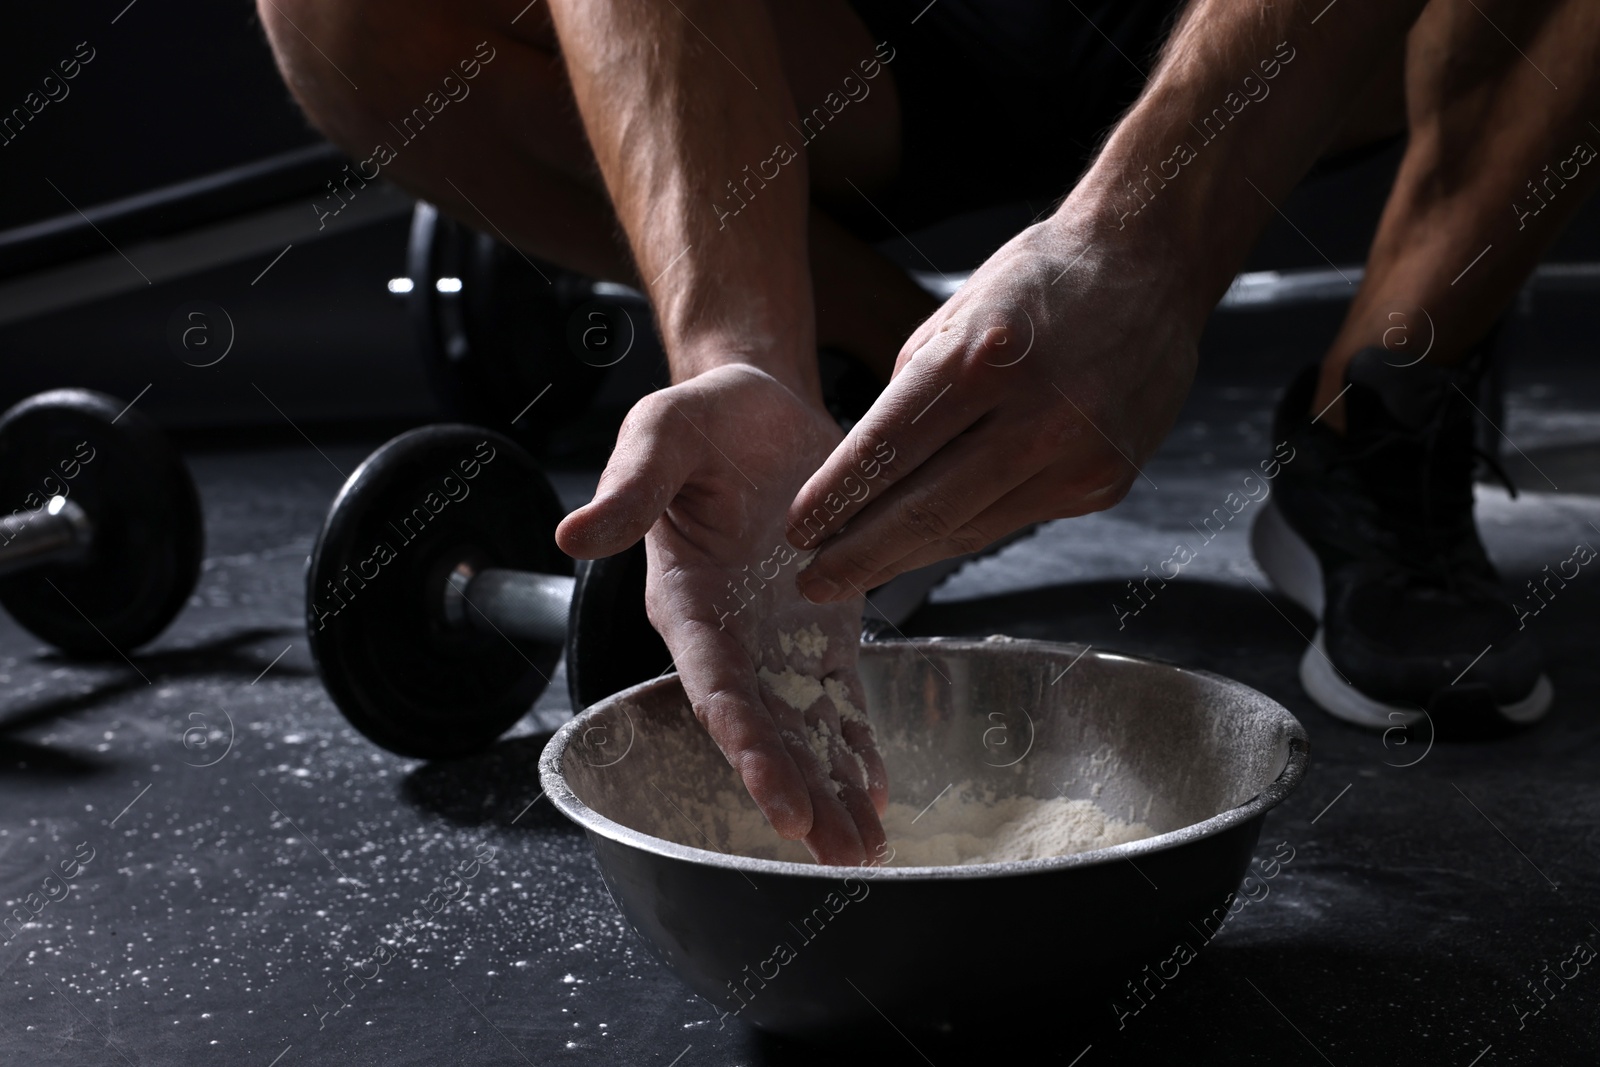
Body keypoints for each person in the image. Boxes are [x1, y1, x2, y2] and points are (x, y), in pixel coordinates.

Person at [258, 0, 1600, 865]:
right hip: (877, 44)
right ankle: (859, 407)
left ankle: (1374, 420)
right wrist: (734, 350)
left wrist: (1145, 242)